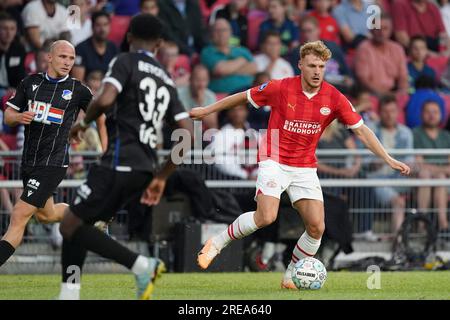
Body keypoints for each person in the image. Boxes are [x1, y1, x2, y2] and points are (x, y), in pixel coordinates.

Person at [190, 40, 410, 289]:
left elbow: (362, 131)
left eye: (322, 66)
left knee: (317, 227)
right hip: (274, 158)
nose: (317, 71)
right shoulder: (280, 88)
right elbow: (244, 97)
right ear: (300, 66)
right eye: (312, 65)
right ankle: (216, 243)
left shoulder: (334, 97)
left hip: (304, 166)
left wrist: (388, 158)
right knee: (266, 217)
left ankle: (291, 276)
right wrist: (208, 109)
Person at [57, 14, 192, 300]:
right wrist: (162, 176)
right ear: (158, 44)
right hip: (145, 169)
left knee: (70, 223)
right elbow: (187, 133)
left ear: (129, 37)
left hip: (119, 161)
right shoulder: (166, 79)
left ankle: (142, 265)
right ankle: (69, 293)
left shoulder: (125, 62)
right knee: (81, 223)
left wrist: (82, 123)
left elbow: (105, 99)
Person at [0, 40, 106, 267]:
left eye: (71, 58)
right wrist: (19, 117)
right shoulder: (30, 83)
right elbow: (8, 115)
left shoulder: (79, 90)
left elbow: (100, 115)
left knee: (19, 214)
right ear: (49, 57)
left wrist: (103, 148)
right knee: (46, 215)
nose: (68, 62)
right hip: (29, 162)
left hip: (53, 163)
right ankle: (94, 213)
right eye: (62, 57)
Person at [72, 11, 119, 82]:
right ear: (92, 27)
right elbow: (78, 83)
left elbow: (117, 78)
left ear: (109, 26)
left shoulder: (114, 48)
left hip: (108, 90)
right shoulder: (80, 49)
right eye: (98, 25)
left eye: (105, 24)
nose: (102, 29)